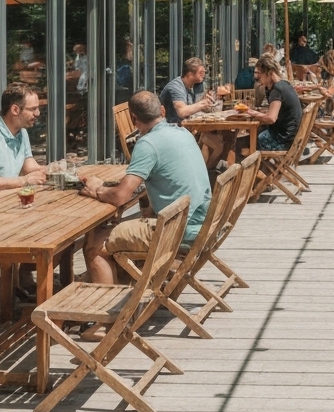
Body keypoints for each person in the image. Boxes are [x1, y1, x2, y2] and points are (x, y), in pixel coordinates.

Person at [81, 90, 211, 286]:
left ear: (134, 119)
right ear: (162, 110)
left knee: (95, 244)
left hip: (178, 232)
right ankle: (126, 286)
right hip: (203, 223)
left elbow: (120, 197)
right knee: (132, 222)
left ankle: (107, 312)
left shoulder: (148, 144)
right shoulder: (183, 132)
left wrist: (97, 189)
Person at [159, 57, 231, 171]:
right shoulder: (176, 87)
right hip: (171, 129)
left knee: (225, 138)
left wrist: (203, 101)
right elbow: (182, 112)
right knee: (215, 143)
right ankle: (202, 172)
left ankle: (208, 170)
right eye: (201, 73)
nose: (204, 75)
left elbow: (189, 106)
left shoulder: (190, 86)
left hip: (184, 128)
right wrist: (202, 104)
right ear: (189, 74)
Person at [247, 54, 303, 151]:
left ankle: (249, 164)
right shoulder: (285, 84)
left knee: (248, 140)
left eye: (260, 74)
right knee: (257, 131)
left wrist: (250, 112)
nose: (258, 78)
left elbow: (271, 118)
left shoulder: (277, 90)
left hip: (283, 141)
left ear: (269, 73)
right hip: (293, 138)